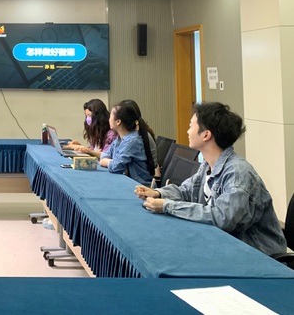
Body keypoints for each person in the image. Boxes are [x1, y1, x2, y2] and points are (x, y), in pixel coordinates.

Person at [134, 102, 287, 256]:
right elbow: (186, 191)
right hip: (226, 246)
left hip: (257, 254)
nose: (187, 131)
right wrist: (158, 193)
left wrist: (167, 206)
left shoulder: (238, 173)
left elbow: (222, 218)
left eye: (191, 126)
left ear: (206, 135)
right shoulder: (208, 165)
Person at [100, 100, 155, 186]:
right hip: (126, 182)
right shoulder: (119, 138)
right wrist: (111, 161)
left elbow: (116, 167)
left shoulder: (132, 141)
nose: (109, 119)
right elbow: (105, 155)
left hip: (139, 186)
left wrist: (107, 162)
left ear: (118, 121)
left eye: (110, 116)